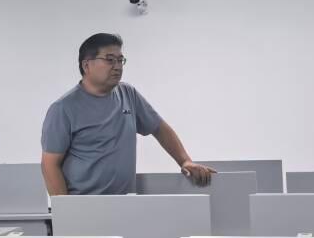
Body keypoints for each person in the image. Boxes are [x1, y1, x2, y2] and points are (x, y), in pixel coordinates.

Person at [41, 33, 213, 196]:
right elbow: (49, 165)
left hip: (125, 202)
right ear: (86, 65)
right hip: (84, 203)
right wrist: (65, 208)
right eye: (110, 60)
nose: (117, 66)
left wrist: (185, 161)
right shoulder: (63, 108)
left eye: (120, 60)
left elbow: (159, 128)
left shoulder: (128, 94)